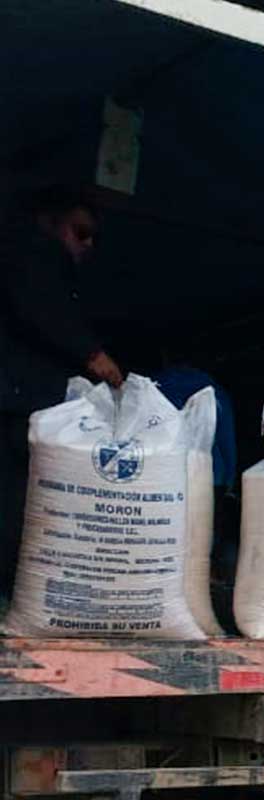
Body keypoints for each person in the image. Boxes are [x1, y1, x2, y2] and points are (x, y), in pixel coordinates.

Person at [1, 187, 124, 596]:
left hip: (28, 399)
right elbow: (42, 309)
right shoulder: (32, 254)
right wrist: (92, 355)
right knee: (17, 494)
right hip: (16, 399)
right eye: (80, 232)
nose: (87, 245)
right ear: (48, 223)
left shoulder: (49, 267)